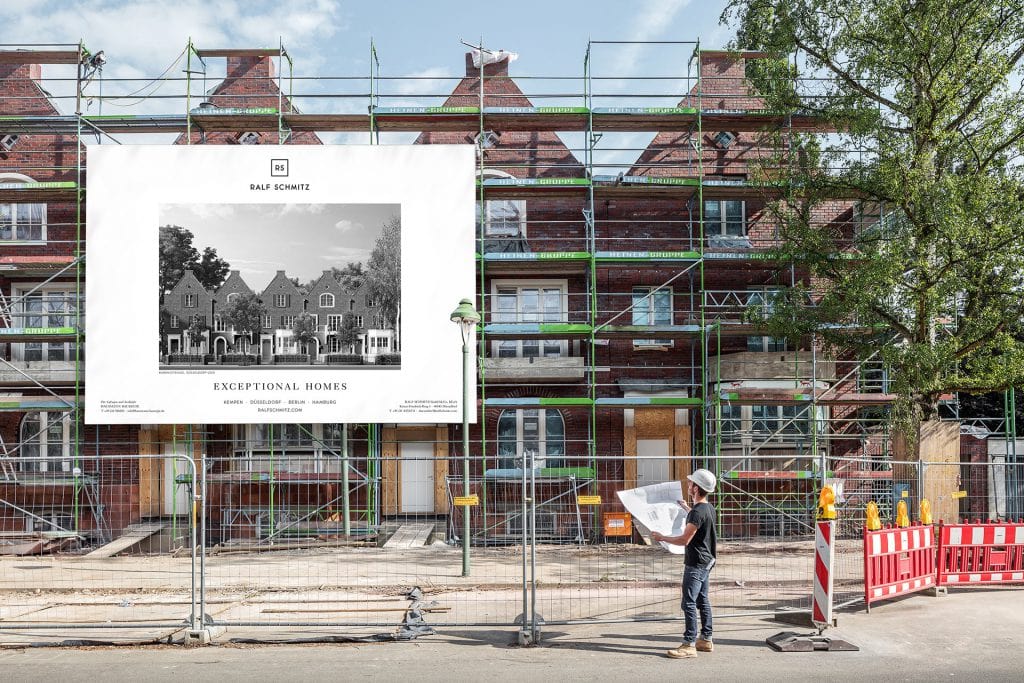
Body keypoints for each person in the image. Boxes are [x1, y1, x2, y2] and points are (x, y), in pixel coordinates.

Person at [650, 468, 717, 659]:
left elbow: (684, 540)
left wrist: (662, 537)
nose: (688, 485)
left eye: (690, 483)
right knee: (702, 600)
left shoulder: (698, 512)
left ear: (696, 488)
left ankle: (689, 644)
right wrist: (686, 507)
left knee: (688, 602)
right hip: (707, 561)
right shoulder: (707, 508)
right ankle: (705, 639)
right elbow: (699, 519)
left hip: (696, 563)